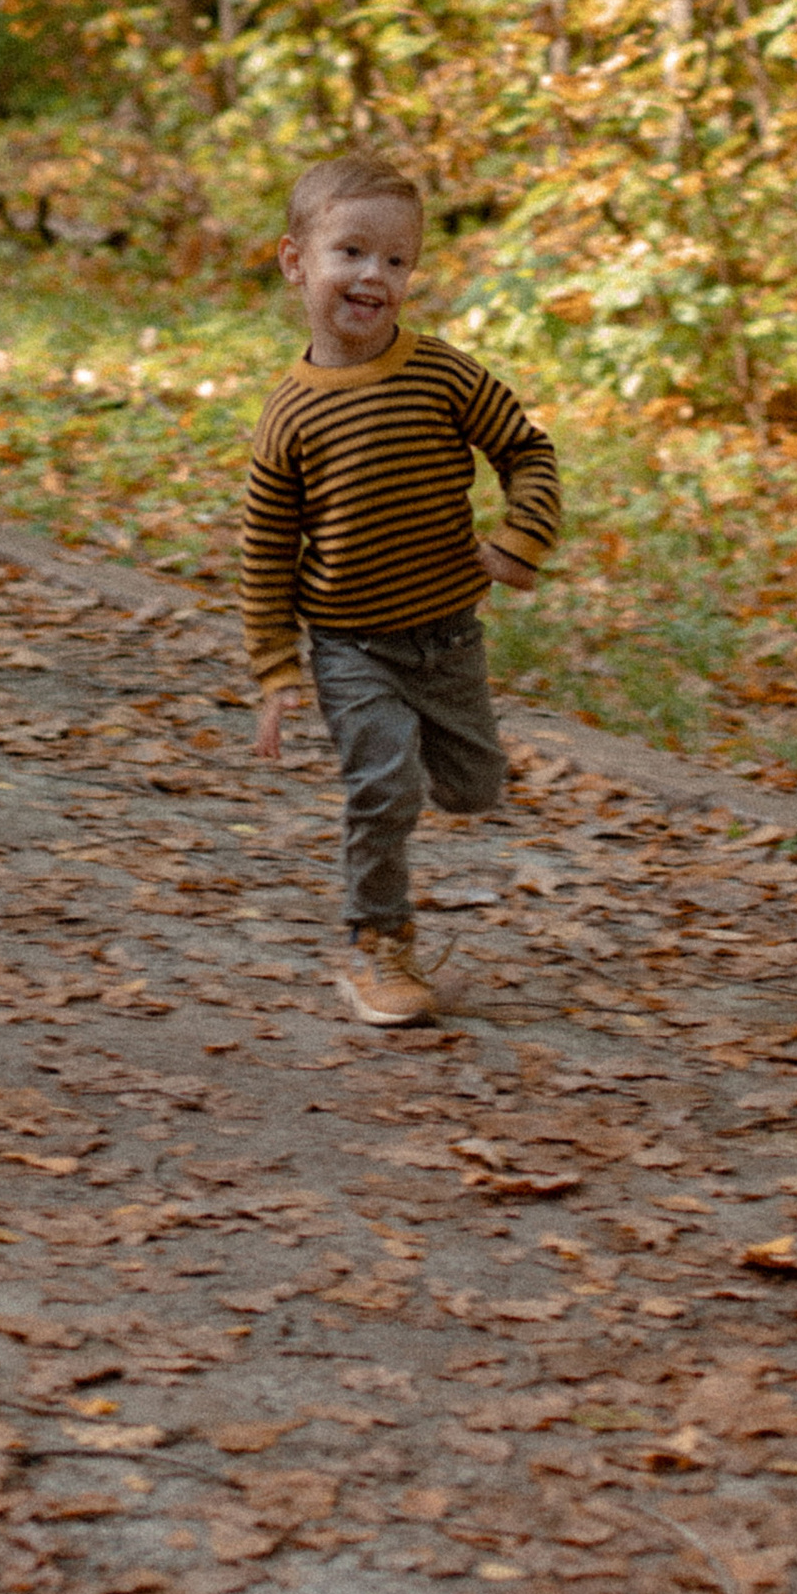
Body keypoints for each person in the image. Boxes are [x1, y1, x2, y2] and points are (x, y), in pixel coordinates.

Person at [240, 151, 561, 1028]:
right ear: (295, 260)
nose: (373, 276)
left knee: (476, 788)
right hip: (352, 644)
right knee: (385, 783)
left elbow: (527, 449)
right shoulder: (291, 416)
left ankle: (407, 761)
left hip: (449, 634)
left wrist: (521, 537)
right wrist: (276, 672)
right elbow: (266, 551)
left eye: (395, 260)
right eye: (350, 252)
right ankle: (376, 945)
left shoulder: (443, 373)